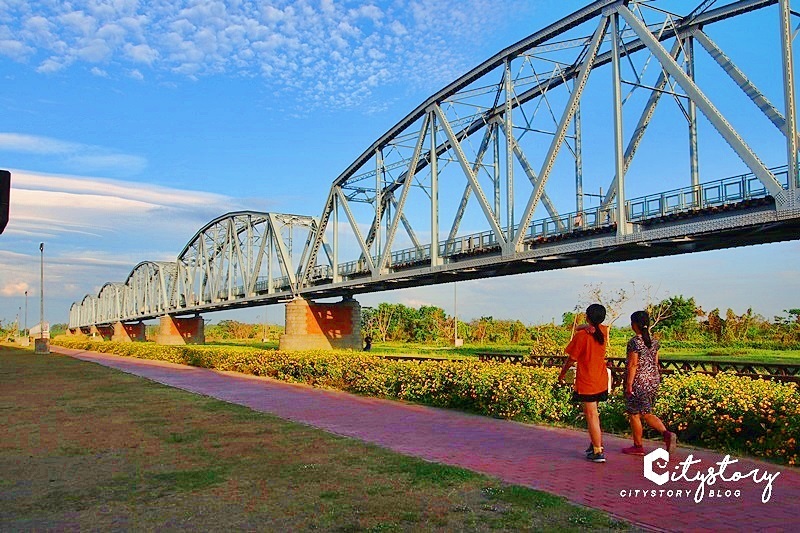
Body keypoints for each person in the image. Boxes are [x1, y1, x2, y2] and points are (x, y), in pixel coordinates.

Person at [558, 304, 609, 463]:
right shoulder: (604, 331)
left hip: (588, 380)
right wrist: (586, 326)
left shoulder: (582, 336)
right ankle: (595, 442)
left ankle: (598, 451)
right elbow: (585, 327)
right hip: (601, 379)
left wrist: (562, 374)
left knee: (591, 415)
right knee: (594, 414)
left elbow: (571, 358)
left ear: (587, 317)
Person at [622, 310, 677, 456]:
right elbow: (655, 362)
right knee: (646, 411)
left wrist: (629, 384)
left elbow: (633, 364)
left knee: (635, 413)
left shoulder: (634, 342)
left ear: (634, 324)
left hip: (638, 381)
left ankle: (639, 445)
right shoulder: (655, 342)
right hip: (652, 380)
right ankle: (666, 434)